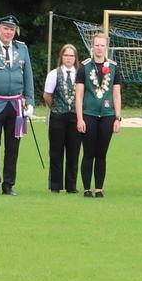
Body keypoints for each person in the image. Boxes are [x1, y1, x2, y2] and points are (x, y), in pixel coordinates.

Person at [0, 14, 35, 195]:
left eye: (12, 29)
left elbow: (28, 76)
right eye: (6, 28)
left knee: (13, 147)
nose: (9, 32)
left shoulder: (22, 49)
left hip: (16, 105)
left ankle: (9, 184)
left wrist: (30, 101)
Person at [78, 31, 121, 197]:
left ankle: (99, 188)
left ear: (106, 47)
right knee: (88, 152)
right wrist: (80, 118)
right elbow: (79, 94)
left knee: (101, 154)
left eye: (102, 45)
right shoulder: (84, 66)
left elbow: (116, 94)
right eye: (97, 45)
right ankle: (87, 188)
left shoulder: (113, 67)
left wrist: (118, 117)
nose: (99, 48)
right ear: (92, 46)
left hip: (108, 115)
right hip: (89, 114)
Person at [43, 42, 82, 193]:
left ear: (75, 58)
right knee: (56, 152)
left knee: (73, 152)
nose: (69, 58)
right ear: (61, 56)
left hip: (75, 117)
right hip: (58, 117)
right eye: (66, 55)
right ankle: (55, 185)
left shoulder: (80, 74)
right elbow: (47, 95)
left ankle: (72, 185)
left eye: (71, 56)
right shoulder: (54, 74)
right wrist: (57, 108)